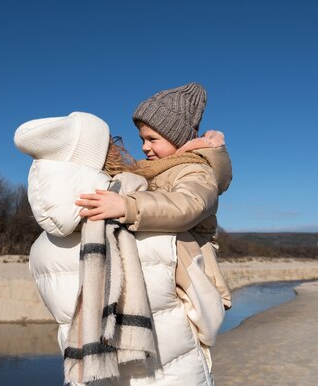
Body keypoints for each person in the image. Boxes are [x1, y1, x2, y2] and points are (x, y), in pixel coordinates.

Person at [14, 111, 219, 385]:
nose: (126, 149)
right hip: (170, 373)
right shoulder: (154, 229)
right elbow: (208, 314)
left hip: (90, 375)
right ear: (99, 156)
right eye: (113, 143)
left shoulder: (40, 248)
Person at [76, 83, 233, 356]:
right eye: (141, 139)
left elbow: (188, 206)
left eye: (152, 139)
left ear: (177, 136)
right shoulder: (158, 170)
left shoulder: (196, 172)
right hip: (164, 274)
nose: (145, 147)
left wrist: (126, 206)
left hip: (190, 282)